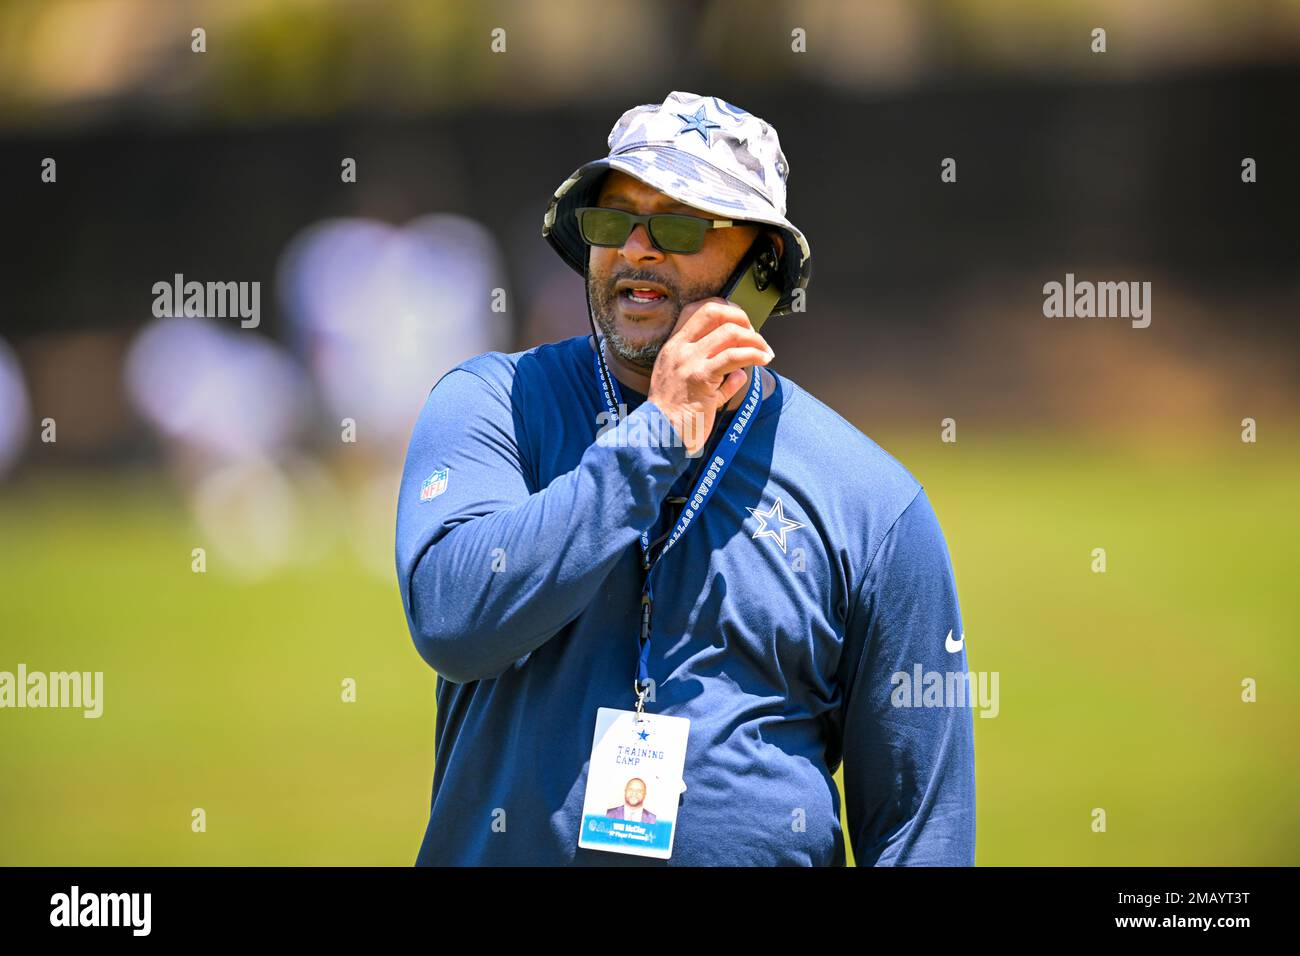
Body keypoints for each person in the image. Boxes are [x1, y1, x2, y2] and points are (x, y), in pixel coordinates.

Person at [395, 90, 975, 866]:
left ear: (761, 269)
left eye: (676, 223)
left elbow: (920, 829)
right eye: (612, 220)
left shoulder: (875, 503)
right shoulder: (491, 404)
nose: (636, 248)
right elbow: (454, 621)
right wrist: (654, 441)